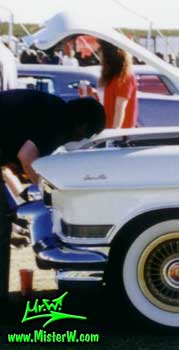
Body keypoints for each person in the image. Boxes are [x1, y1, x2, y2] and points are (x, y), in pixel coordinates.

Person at [0, 90, 105, 302]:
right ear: (81, 124)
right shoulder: (58, 123)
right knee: (2, 223)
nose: (82, 138)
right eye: (86, 133)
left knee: (4, 218)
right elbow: (26, 157)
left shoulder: (55, 108)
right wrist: (46, 193)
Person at [98, 41, 138, 129]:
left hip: (120, 134)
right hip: (108, 129)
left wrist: (114, 136)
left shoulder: (124, 77)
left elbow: (120, 109)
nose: (100, 58)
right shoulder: (112, 77)